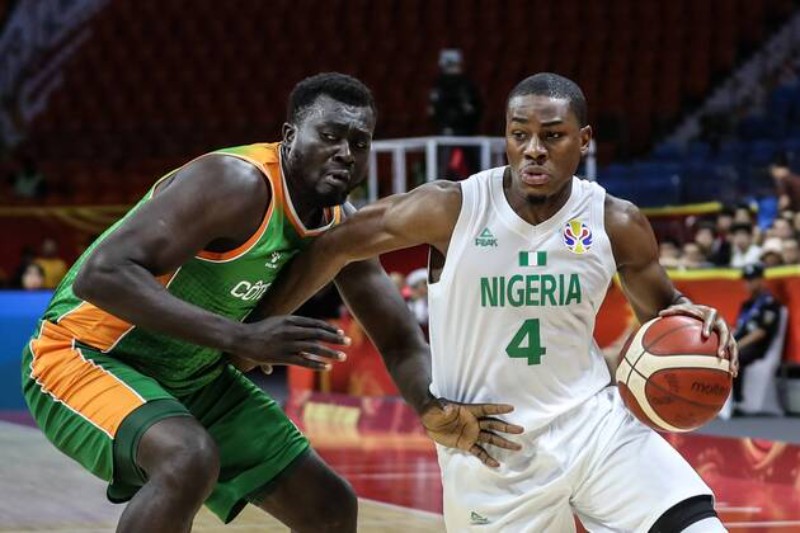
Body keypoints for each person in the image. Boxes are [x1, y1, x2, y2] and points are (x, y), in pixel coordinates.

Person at [20, 73, 521, 533]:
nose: (345, 152)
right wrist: (241, 337)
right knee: (187, 459)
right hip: (84, 354)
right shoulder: (234, 183)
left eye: (359, 142)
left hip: (194, 375)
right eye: (330, 135)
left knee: (328, 507)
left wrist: (431, 405)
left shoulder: (340, 227)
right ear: (289, 136)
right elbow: (100, 275)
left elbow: (399, 340)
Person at [255, 73, 739, 532]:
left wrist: (700, 325)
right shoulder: (452, 207)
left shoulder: (616, 221)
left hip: (596, 428)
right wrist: (254, 331)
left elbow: (666, 313)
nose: (533, 149)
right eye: (519, 134)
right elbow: (333, 244)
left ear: (584, 140)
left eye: (553, 136)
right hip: (489, 444)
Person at [732, 263, 783, 408]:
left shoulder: (770, 303)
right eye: (746, 280)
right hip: (741, 342)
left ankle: (737, 400)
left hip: (757, 347)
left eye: (751, 279)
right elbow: (739, 327)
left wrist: (736, 346)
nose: (747, 284)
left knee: (736, 357)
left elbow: (760, 333)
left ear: (761, 280)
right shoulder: (747, 304)